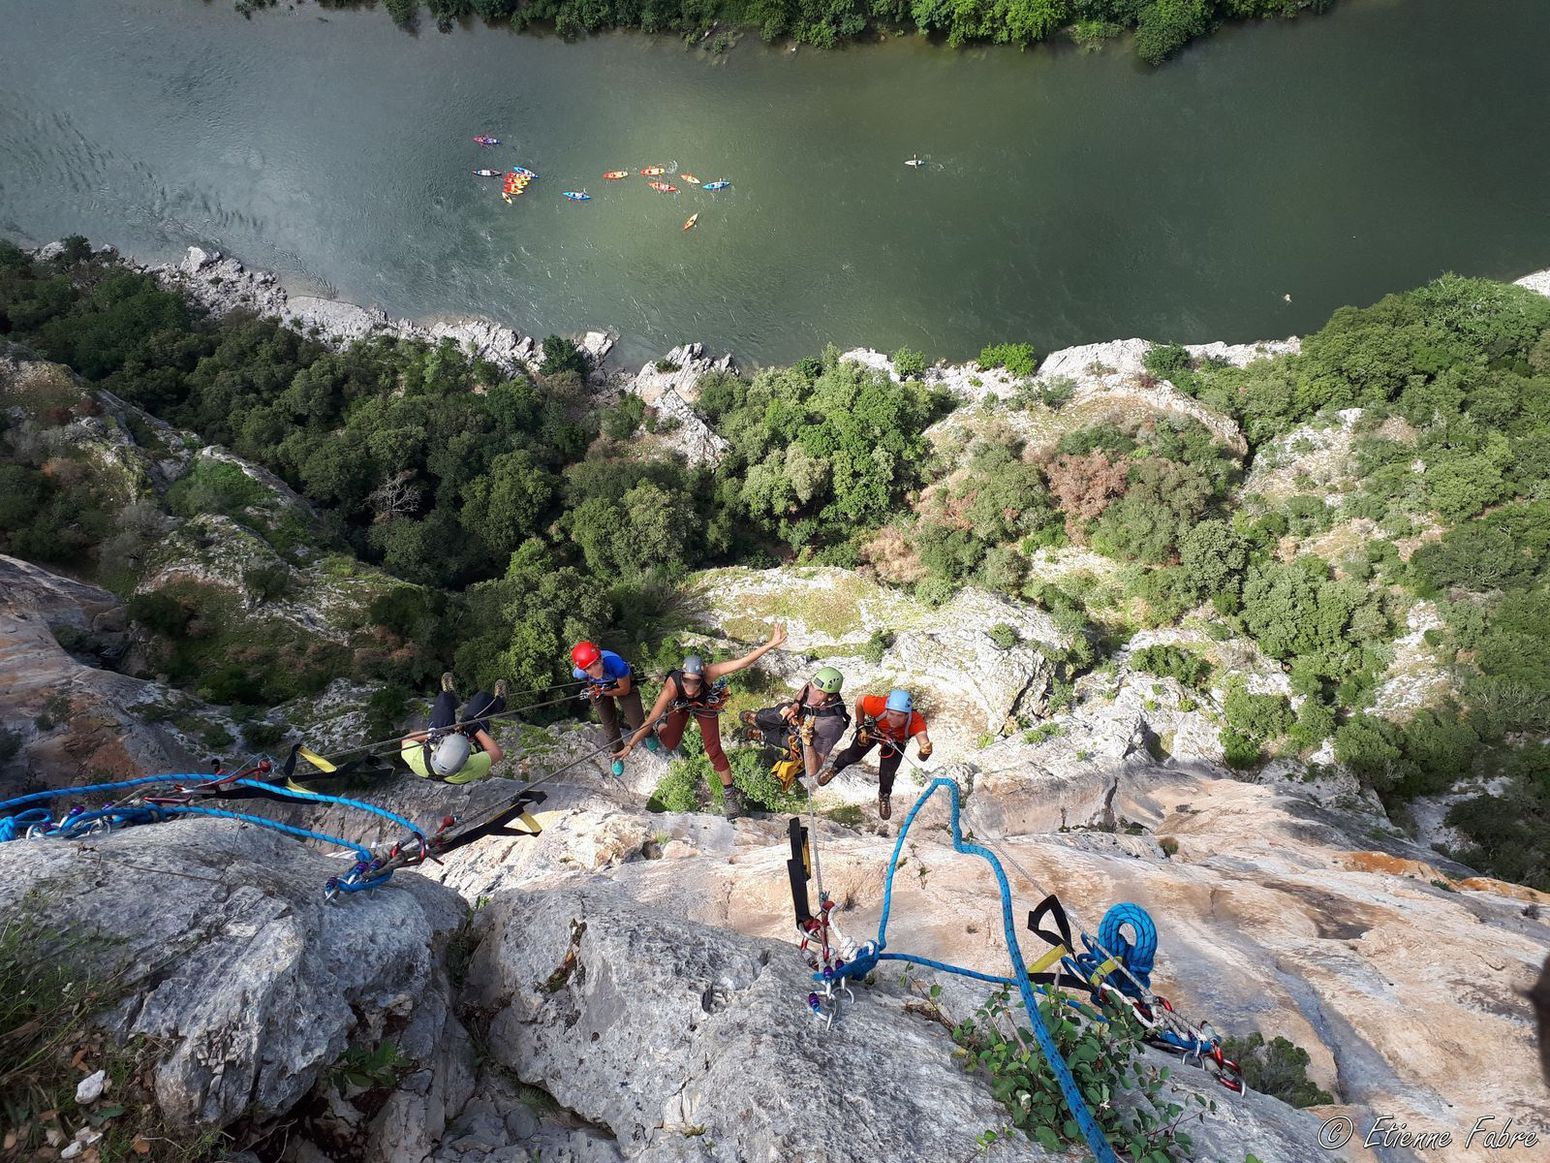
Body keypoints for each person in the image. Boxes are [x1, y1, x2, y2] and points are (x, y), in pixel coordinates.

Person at [616, 624, 787, 817]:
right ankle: (661, 728)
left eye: (695, 681)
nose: (690, 685)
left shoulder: (710, 674)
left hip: (704, 704)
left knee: (714, 750)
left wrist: (771, 643)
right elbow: (652, 717)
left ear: (702, 676)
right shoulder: (671, 688)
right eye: (687, 680)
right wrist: (630, 746)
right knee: (670, 742)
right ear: (682, 676)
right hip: (679, 704)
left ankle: (730, 796)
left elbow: (742, 663)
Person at [816, 688, 933, 820]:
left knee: (887, 772)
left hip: (895, 741)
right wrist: (860, 727)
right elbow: (860, 700)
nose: (893, 719)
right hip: (873, 730)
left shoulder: (916, 721)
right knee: (852, 755)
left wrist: (925, 751)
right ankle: (834, 768)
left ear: (907, 715)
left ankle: (884, 795)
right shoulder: (878, 705)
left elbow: (923, 740)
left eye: (899, 716)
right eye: (891, 714)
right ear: (887, 710)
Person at [739, 666, 850, 790]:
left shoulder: (831, 726)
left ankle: (763, 735)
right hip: (798, 719)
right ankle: (757, 719)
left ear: (830, 697)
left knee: (787, 740)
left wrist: (808, 743)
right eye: (812, 687)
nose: (812, 695)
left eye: (819, 693)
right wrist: (796, 704)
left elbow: (812, 769)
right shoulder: (815, 686)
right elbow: (807, 687)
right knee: (777, 712)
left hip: (802, 741)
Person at [400, 673, 507, 784]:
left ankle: (450, 696)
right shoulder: (471, 767)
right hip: (471, 738)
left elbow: (406, 739)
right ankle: (500, 703)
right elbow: (497, 753)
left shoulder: (416, 759)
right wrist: (474, 729)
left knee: (444, 699)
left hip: (438, 736)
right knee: (482, 698)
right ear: (465, 760)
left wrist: (432, 734)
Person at [570, 641, 655, 754]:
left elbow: (625, 690)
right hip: (598, 687)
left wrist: (603, 693)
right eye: (589, 668)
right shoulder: (579, 673)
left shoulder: (617, 665)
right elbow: (587, 677)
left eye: (596, 663)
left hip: (620, 685)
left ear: (601, 659)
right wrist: (598, 691)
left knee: (637, 721)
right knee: (608, 723)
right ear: (584, 670)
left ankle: (648, 734)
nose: (595, 670)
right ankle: (617, 752)